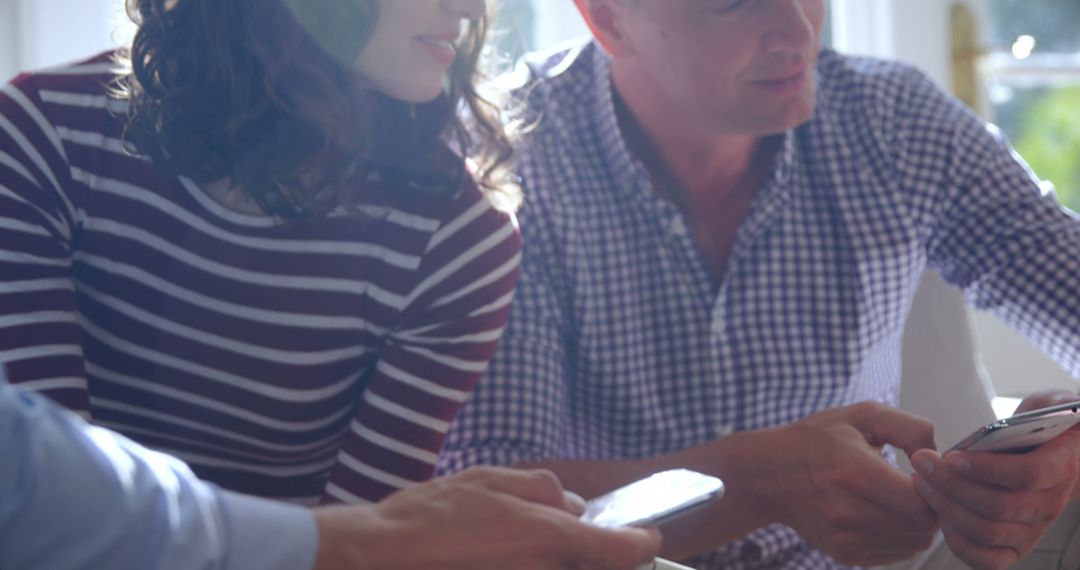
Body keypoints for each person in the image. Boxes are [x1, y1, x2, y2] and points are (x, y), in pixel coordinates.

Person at [437, 0, 1080, 569]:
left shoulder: (894, 122)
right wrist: (758, 483)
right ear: (605, 17)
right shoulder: (507, 162)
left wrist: (1067, 450)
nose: (798, 28)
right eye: (737, 4)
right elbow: (488, 506)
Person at [0, 0, 522, 506]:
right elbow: (47, 502)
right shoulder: (44, 139)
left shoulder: (459, 244)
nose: (472, 9)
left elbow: (369, 548)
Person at [0, 372, 661, 569]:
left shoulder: (464, 219)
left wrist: (369, 535)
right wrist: (368, 538)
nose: (467, 27)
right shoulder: (45, 131)